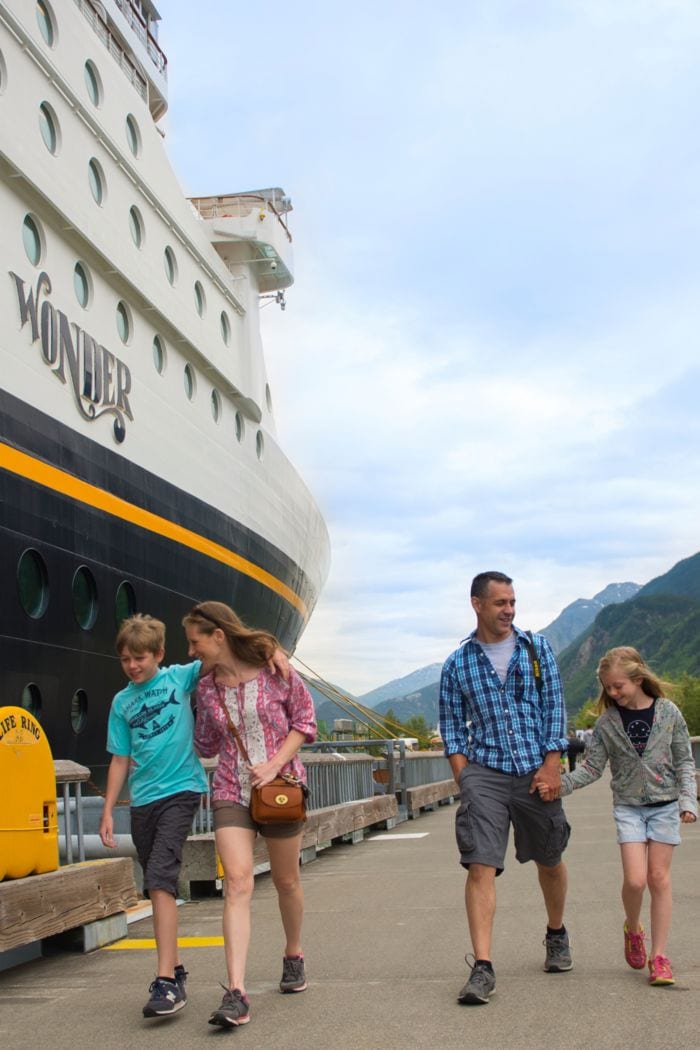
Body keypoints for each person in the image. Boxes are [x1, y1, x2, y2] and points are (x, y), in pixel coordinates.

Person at [439, 571, 572, 1006]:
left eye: (512, 601)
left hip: (536, 769)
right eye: (500, 603)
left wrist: (552, 766)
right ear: (477, 604)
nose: (509, 610)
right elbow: (453, 728)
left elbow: (555, 708)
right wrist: (466, 778)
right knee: (480, 864)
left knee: (549, 858)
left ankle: (556, 933)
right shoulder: (457, 664)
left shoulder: (537, 648)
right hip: (486, 772)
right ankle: (483, 967)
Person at [183, 601, 317, 1029]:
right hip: (230, 790)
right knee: (237, 881)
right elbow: (206, 746)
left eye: (194, 642)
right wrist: (200, 705)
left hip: (280, 789)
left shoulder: (275, 670)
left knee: (286, 881)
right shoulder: (205, 687)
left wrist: (275, 763)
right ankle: (236, 991)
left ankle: (293, 952)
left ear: (218, 636)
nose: (190, 651)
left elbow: (305, 721)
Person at [538, 646, 698, 986]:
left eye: (618, 687)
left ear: (638, 680)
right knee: (636, 880)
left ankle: (660, 957)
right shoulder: (607, 722)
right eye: (607, 688)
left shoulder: (669, 713)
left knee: (659, 878)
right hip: (628, 808)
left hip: (666, 805)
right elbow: (592, 768)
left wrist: (689, 800)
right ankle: (633, 927)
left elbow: (685, 761)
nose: (612, 694)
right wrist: (557, 785)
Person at [99, 614, 209, 1019]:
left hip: (182, 791)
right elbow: (119, 758)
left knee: (160, 876)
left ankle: (164, 982)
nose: (133, 666)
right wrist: (109, 809)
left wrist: (272, 654)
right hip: (143, 801)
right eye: (125, 659)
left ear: (159, 654)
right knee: (156, 884)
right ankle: (176, 971)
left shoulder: (179, 679)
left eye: (140, 658)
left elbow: (218, 651)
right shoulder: (121, 702)